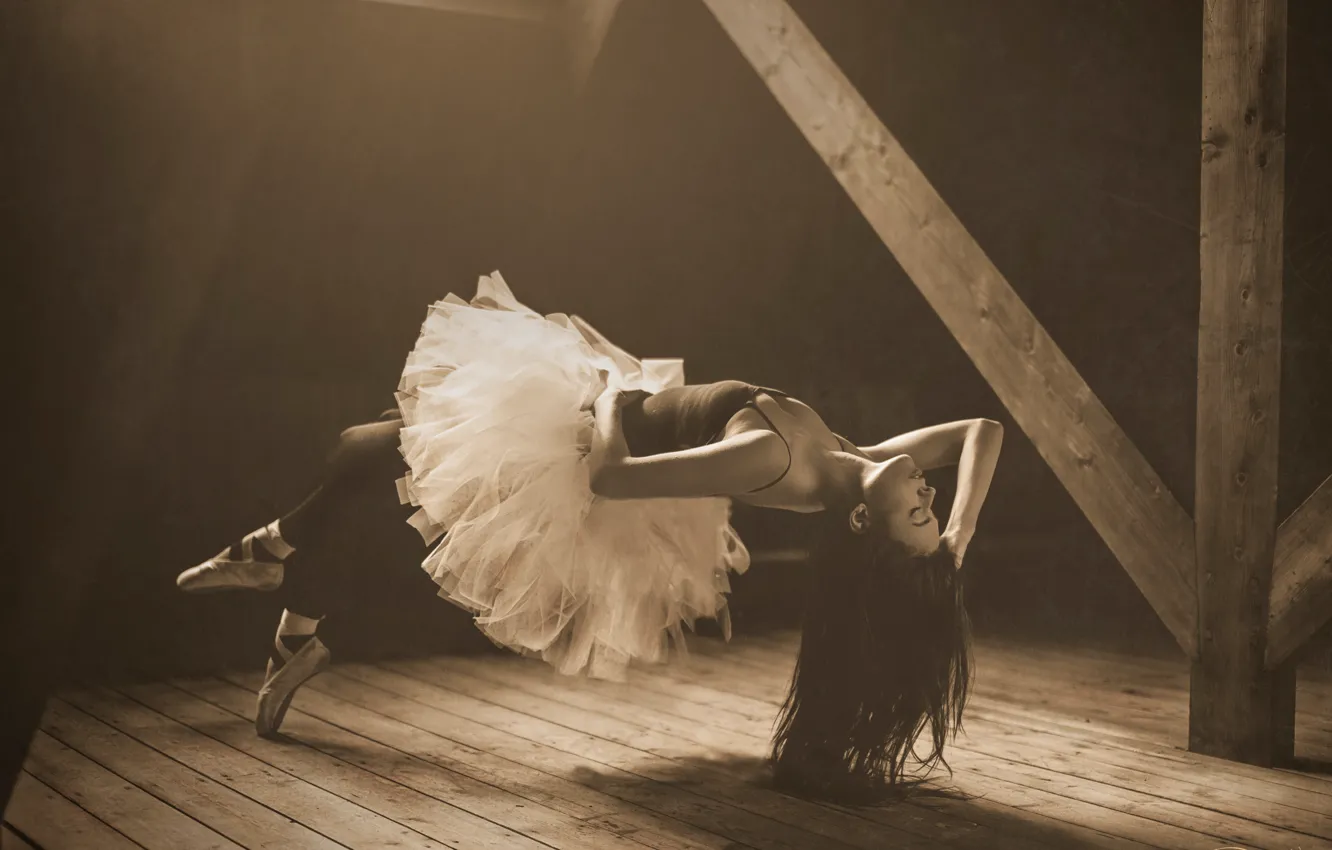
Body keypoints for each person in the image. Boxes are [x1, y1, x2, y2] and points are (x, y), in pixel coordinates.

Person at [176, 272, 1003, 801]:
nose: (927, 491)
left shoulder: (778, 458)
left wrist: (607, 400)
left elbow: (614, 478)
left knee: (368, 455)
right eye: (930, 502)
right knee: (372, 463)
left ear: (862, 521)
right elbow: (980, 430)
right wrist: (956, 535)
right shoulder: (857, 459)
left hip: (578, 446)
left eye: (919, 511)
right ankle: (292, 609)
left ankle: (278, 570)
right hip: (596, 423)